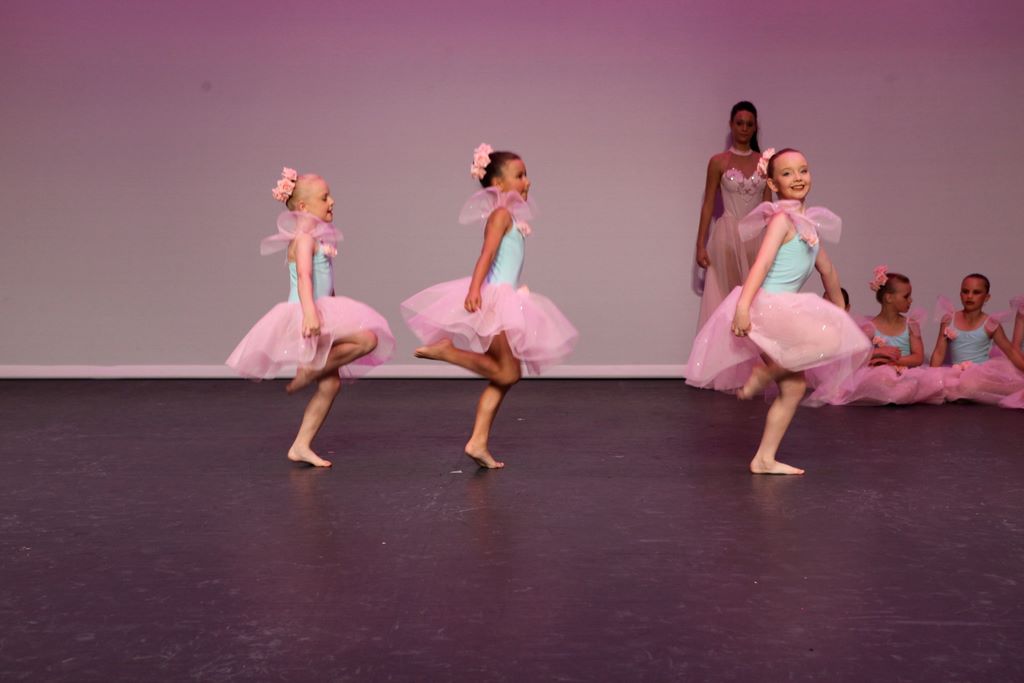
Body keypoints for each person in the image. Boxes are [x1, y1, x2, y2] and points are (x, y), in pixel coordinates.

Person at [685, 149, 871, 473]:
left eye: (803, 170)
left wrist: (840, 311)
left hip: (781, 309)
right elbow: (762, 264)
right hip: (768, 306)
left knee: (795, 387)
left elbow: (827, 270)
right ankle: (766, 373)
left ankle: (764, 459)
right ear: (772, 183)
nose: (797, 178)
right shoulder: (781, 221)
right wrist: (743, 307)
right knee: (827, 344)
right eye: (787, 173)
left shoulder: (807, 224)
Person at [402, 145, 578, 469]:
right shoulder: (501, 215)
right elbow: (487, 253)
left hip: (507, 298)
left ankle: (478, 442)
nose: (527, 182)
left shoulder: (511, 216)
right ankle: (447, 352)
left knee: (504, 377)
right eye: (520, 176)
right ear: (498, 184)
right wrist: (474, 289)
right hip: (496, 301)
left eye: (526, 175)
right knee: (508, 372)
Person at [227, 168, 395, 467]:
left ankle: (300, 445)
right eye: (324, 197)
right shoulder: (304, 239)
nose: (332, 201)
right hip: (307, 314)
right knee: (368, 339)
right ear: (303, 207)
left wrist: (336, 308)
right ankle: (310, 371)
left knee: (331, 386)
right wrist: (310, 315)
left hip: (322, 310)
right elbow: (304, 277)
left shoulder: (316, 237)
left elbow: (324, 282)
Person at [807, 268, 943, 406]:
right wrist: (878, 356)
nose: (910, 300)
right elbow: (860, 357)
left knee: (923, 383)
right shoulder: (870, 327)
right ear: (889, 298)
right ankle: (893, 392)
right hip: (881, 373)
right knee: (881, 380)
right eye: (906, 296)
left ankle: (902, 390)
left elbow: (918, 357)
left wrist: (894, 362)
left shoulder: (911, 324)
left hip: (906, 372)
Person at [694, 101, 773, 329]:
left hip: (756, 237)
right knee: (727, 302)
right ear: (731, 125)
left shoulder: (764, 162)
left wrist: (775, 242)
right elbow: (708, 204)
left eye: (749, 124)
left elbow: (769, 206)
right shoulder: (718, 161)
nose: (744, 128)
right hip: (727, 237)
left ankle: (753, 352)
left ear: (755, 127)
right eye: (740, 123)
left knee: (755, 304)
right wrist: (700, 245)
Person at [929, 274, 1024, 406]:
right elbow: (939, 352)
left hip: (981, 375)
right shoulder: (949, 319)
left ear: (986, 297)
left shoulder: (991, 323)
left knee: (972, 384)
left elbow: (1010, 351)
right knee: (948, 384)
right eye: (965, 291)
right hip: (955, 373)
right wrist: (931, 378)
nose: (969, 296)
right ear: (960, 294)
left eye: (976, 292)